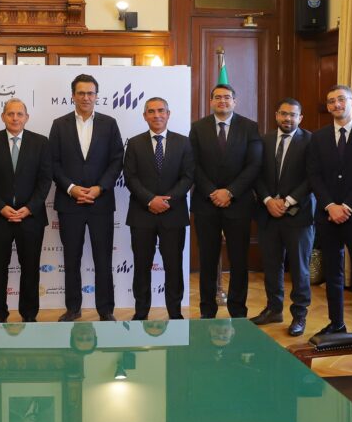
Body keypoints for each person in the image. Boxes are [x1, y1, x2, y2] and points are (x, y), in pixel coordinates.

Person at [307, 85, 352, 336]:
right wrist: (330, 205)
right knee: (332, 272)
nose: (336, 104)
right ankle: (336, 323)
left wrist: (347, 207)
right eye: (331, 101)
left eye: (341, 99)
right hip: (327, 215)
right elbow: (314, 175)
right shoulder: (317, 137)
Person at [50, 74, 124, 321]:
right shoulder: (59, 125)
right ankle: (73, 308)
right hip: (69, 203)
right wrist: (71, 188)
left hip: (100, 202)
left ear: (96, 96)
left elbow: (117, 160)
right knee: (71, 259)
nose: (85, 97)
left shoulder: (109, 124)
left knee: (103, 258)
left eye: (90, 93)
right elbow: (53, 162)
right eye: (81, 93)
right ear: (73, 96)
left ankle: (106, 310)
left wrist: (99, 188)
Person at [188, 83, 263, 319]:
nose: (222, 101)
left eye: (227, 97)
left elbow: (254, 165)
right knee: (207, 260)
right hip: (206, 203)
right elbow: (193, 164)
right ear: (211, 101)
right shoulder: (197, 127)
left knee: (239, 261)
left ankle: (238, 312)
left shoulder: (249, 127)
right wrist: (213, 192)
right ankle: (207, 311)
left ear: (234, 101)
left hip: (238, 204)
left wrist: (230, 192)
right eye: (218, 97)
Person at [0, 98, 52, 322]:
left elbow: (45, 180)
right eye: (10, 114)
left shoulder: (41, 142)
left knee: (30, 269)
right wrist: (1, 208)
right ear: (3, 117)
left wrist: (29, 208)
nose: (15, 118)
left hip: (30, 218)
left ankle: (29, 316)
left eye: (20, 114)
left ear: (27, 118)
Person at [123, 97, 193, 320]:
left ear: (168, 114)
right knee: (141, 266)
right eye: (151, 111)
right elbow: (130, 177)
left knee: (174, 266)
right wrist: (150, 200)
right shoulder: (134, 143)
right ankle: (141, 312)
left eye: (161, 110)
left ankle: (175, 313)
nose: (157, 115)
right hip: (142, 214)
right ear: (145, 116)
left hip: (173, 215)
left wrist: (166, 201)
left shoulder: (184, 142)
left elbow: (188, 176)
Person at [252, 98, 315, 336]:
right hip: (268, 214)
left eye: (293, 115)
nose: (288, 118)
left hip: (299, 215)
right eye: (284, 114)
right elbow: (256, 174)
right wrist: (268, 200)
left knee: (299, 268)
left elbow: (312, 177)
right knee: (271, 265)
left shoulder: (310, 141)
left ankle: (299, 315)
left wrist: (287, 201)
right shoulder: (264, 140)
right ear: (276, 115)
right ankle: (273, 309)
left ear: (300, 118)